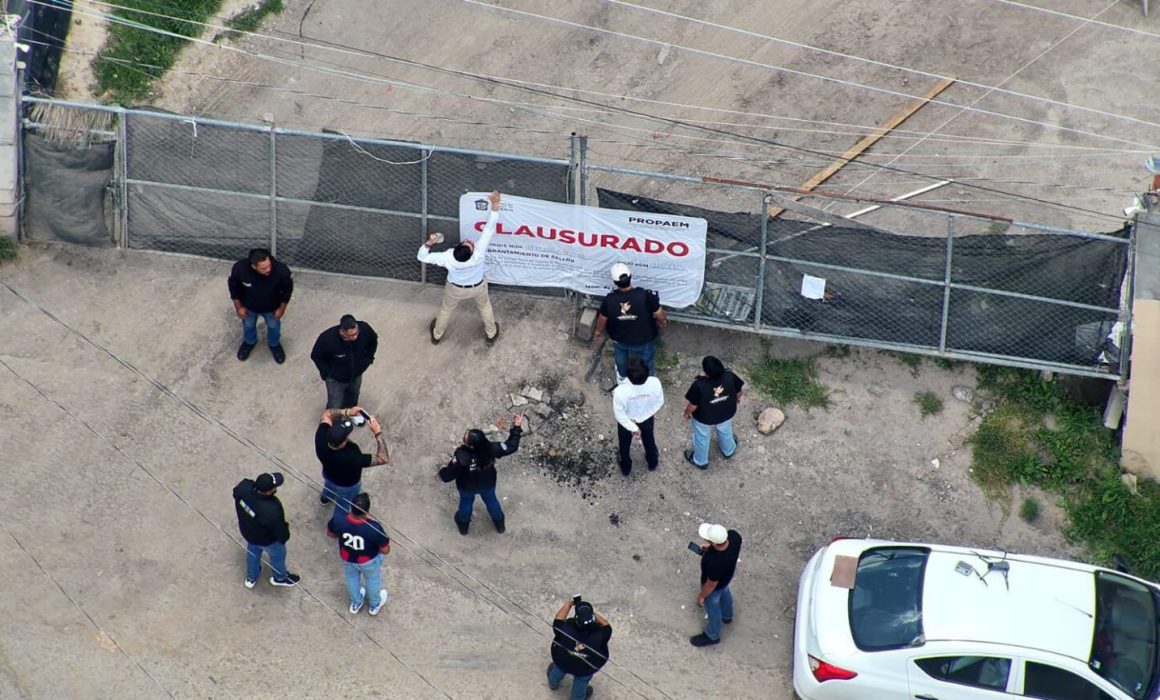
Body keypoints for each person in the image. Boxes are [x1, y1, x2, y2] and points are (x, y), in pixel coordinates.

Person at [418, 189, 502, 345]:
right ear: (471, 252)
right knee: (484, 307)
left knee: (446, 310)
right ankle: (491, 333)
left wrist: (430, 242)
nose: (470, 241)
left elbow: (421, 257)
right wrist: (495, 204)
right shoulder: (478, 253)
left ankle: (437, 335)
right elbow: (489, 228)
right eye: (470, 244)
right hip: (477, 287)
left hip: (455, 288)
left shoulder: (447, 257)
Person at [438, 414, 525, 535]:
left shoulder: (461, 455)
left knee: (466, 502)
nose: (465, 435)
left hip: (467, 486)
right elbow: (511, 446)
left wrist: (442, 472)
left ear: (470, 445)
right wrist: (517, 427)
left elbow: (449, 475)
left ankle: (463, 526)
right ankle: (499, 524)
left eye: (466, 437)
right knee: (491, 500)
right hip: (488, 483)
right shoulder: (492, 448)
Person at [593, 262, 667, 380]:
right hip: (644, 339)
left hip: (620, 340)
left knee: (621, 359)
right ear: (630, 276)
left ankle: (622, 377)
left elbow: (602, 319)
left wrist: (598, 331)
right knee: (646, 361)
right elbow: (659, 313)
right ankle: (648, 379)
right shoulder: (644, 295)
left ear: (614, 282)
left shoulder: (609, 300)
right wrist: (662, 322)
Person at [315, 407, 389, 522]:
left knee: (328, 486)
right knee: (343, 506)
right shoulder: (352, 458)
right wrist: (378, 432)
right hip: (347, 485)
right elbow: (383, 458)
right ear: (343, 442)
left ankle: (325, 498)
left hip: (328, 474)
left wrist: (348, 412)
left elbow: (326, 414)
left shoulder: (321, 437)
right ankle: (337, 522)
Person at [326, 492, 391, 616]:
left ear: (351, 507)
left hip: (347, 557)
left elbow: (330, 534)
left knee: (351, 578)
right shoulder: (374, 527)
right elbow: (385, 550)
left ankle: (355, 603)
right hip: (368, 560)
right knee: (372, 580)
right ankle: (374, 605)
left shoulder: (339, 519)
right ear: (366, 511)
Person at [232, 471, 300, 588]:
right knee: (278, 555)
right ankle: (280, 577)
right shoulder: (271, 509)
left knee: (253, 553)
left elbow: (236, 492)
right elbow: (280, 530)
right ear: (269, 491)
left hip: (248, 532)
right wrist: (284, 537)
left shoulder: (244, 488)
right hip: (267, 540)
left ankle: (251, 577)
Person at [227, 247, 294, 364]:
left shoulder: (281, 270)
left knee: (273, 326)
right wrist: (238, 307)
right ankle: (249, 342)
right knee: (248, 325)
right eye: (263, 268)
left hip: (272, 308)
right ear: (254, 266)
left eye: (269, 265)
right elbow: (233, 286)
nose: (268, 269)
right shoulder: (240, 268)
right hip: (248, 307)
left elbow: (288, 289)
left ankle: (274, 344)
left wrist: (282, 308)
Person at [682, 356, 745, 469]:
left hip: (704, 419)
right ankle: (728, 450)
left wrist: (687, 413)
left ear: (706, 372)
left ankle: (701, 461)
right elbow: (739, 392)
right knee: (725, 430)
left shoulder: (699, 385)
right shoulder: (730, 376)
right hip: (726, 413)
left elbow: (693, 405)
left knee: (702, 437)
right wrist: (737, 399)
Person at [547, 597, 612, 700]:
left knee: (558, 669)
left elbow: (558, 619)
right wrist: (590, 615)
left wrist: (569, 604)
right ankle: (577, 698)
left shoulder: (565, 629)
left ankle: (553, 683)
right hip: (586, 666)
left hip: (563, 659)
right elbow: (606, 624)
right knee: (582, 680)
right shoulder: (601, 634)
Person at [310, 314, 379, 409]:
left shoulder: (365, 329)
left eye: (356, 333)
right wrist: (327, 373)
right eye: (351, 335)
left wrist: (368, 358)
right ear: (342, 332)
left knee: (354, 395)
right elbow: (316, 355)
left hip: (356, 374)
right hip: (336, 380)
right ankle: (335, 421)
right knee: (335, 403)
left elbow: (373, 340)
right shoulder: (327, 339)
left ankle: (351, 413)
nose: (355, 337)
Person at [690, 523, 743, 647]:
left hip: (715, 585)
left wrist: (702, 596)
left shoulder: (714, 562)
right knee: (725, 593)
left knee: (712, 605)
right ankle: (727, 616)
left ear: (714, 542)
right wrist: (710, 547)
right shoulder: (734, 537)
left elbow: (710, 585)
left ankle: (712, 635)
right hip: (726, 578)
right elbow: (723, 547)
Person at [612, 358, 664, 475]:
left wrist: (634, 427)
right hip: (647, 419)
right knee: (649, 439)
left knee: (624, 444)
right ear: (647, 372)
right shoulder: (655, 383)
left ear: (628, 376)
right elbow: (659, 402)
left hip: (627, 421)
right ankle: (652, 462)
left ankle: (626, 467)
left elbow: (619, 414)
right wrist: (644, 416)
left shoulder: (620, 391)